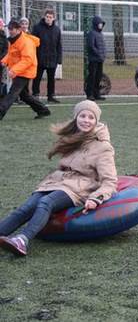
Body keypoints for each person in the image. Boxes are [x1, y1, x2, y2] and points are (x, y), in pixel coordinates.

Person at [0, 101, 117, 256]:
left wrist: (96, 198)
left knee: (45, 202)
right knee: (26, 207)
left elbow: (110, 181)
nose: (86, 120)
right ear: (76, 117)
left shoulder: (103, 147)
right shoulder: (74, 137)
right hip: (59, 181)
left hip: (80, 187)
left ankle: (22, 240)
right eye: (82, 116)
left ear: (96, 121)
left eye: (91, 117)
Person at [0, 20, 51, 120]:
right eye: (9, 29)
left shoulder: (26, 42)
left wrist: (14, 70)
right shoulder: (13, 40)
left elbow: (27, 60)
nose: (10, 31)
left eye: (12, 29)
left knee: (12, 93)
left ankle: (1, 112)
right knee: (24, 96)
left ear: (19, 30)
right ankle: (43, 110)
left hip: (26, 71)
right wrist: (4, 61)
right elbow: (11, 54)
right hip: (19, 71)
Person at [31, 9, 63, 103]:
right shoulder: (37, 28)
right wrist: (34, 57)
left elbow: (59, 45)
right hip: (39, 58)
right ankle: (35, 95)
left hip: (52, 58)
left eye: (50, 17)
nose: (49, 19)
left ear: (54, 18)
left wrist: (59, 59)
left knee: (51, 79)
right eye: (47, 17)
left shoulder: (57, 30)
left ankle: (51, 96)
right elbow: (33, 43)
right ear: (44, 17)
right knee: (37, 78)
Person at [86, 16, 106, 101]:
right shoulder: (91, 33)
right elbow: (91, 46)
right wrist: (98, 54)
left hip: (100, 60)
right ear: (96, 24)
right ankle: (89, 94)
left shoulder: (100, 34)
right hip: (93, 60)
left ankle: (96, 94)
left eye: (102, 24)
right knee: (92, 77)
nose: (101, 25)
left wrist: (104, 55)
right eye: (100, 24)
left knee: (98, 77)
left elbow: (103, 47)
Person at [0, 18, 8, 96]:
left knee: (2, 79)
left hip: (1, 62)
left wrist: (2, 59)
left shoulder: (4, 37)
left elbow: (6, 50)